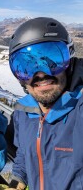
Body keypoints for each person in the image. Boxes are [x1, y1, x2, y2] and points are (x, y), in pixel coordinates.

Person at [7, 17, 83, 190]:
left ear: (69, 60)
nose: (40, 74)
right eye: (25, 67)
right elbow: (24, 154)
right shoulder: (22, 112)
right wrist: (17, 181)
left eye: (53, 61)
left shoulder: (79, 110)